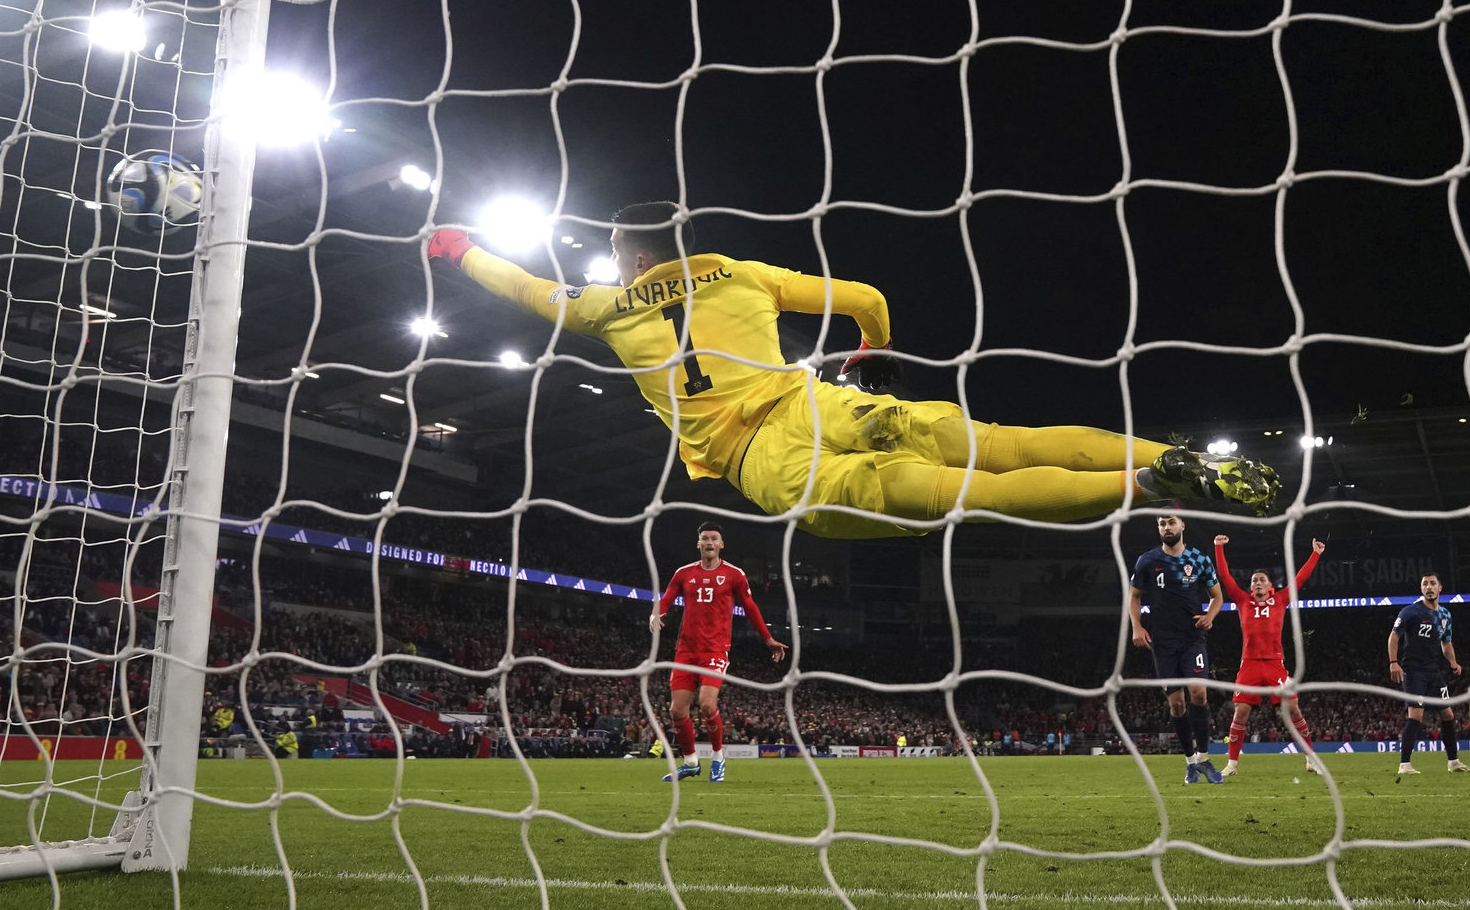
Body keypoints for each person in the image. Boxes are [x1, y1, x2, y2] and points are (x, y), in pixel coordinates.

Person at [427, 205, 1278, 538]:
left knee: (966, 496)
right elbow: (866, 297)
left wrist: (458, 246)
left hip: (773, 465)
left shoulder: (605, 305)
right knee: (1000, 442)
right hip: (820, 400)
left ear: (626, 251)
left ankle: (1151, 490)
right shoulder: (739, 269)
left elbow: (520, 285)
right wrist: (870, 348)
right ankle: (1162, 456)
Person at [649, 522, 788, 782]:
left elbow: (750, 606)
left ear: (721, 544)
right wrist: (657, 612)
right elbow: (667, 596)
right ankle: (690, 762)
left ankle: (717, 757)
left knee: (706, 703)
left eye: (714, 538)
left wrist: (767, 639)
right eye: (705, 538)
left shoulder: (734, 574)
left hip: (715, 650)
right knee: (677, 710)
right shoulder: (683, 573)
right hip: (686, 651)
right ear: (698, 543)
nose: (709, 542)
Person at [1211, 535, 1326, 779]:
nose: (1258, 582)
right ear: (1251, 587)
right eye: (1254, 580)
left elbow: (1300, 579)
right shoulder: (1242, 601)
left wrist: (1315, 553)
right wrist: (1218, 548)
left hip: (1275, 665)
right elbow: (1225, 577)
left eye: (1262, 579)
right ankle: (1232, 764)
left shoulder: (1280, 599)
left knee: (1294, 710)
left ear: (1269, 584)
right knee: (1240, 713)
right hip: (1249, 665)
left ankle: (1310, 759)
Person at [1129, 513, 1226, 784]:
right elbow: (1134, 596)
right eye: (1162, 523)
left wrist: (1210, 615)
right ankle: (1191, 763)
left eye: (1171, 522)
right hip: (1162, 642)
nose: (1167, 527)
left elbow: (1217, 596)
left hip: (1192, 638)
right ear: (1158, 528)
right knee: (1176, 703)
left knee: (1198, 692)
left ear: (1182, 525)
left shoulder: (1199, 559)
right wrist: (1137, 627)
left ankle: (1205, 759)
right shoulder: (1147, 560)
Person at [1385, 571, 1470, 777]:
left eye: (1433, 583)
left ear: (1440, 587)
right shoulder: (1410, 612)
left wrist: (1453, 661)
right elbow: (1394, 636)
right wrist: (1393, 662)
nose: (1429, 587)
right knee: (1416, 715)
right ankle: (1404, 764)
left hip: (1434, 672)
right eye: (1425, 584)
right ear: (1421, 588)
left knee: (1448, 714)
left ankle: (1454, 762)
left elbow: (1446, 642)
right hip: (1413, 671)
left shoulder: (1445, 615)